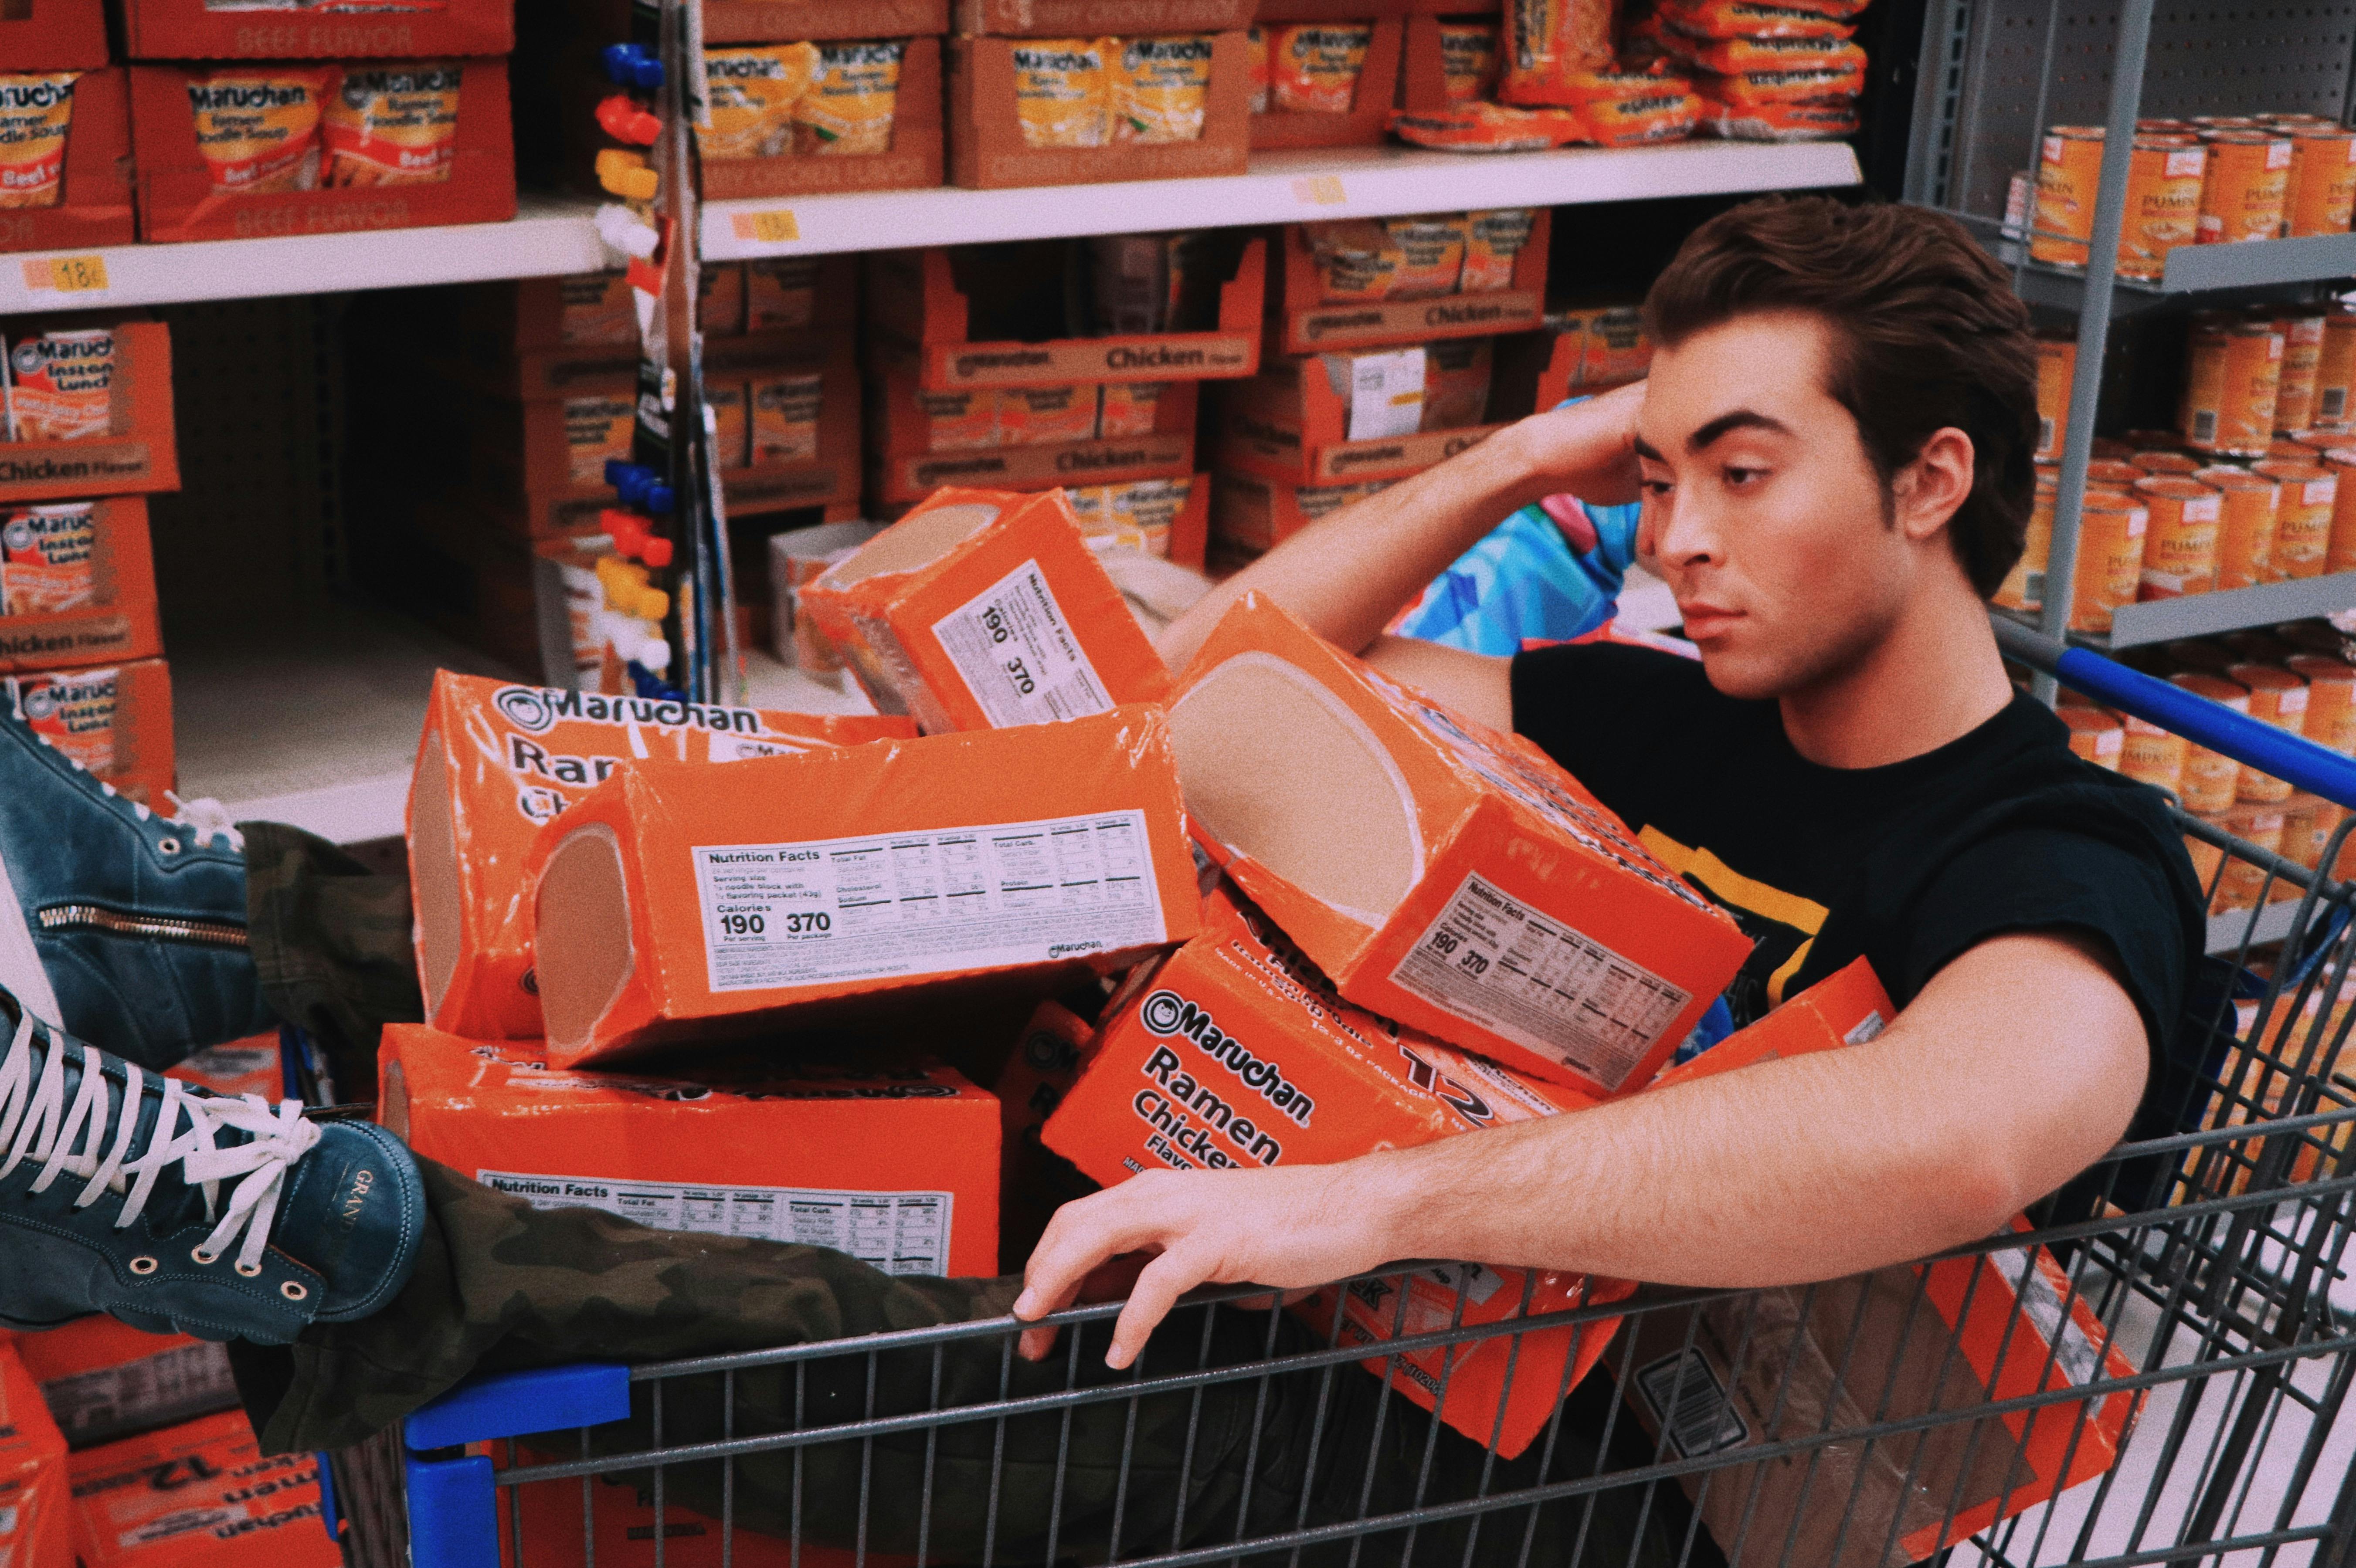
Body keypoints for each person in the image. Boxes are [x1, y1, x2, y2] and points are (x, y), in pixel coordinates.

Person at [0, 196, 2205, 1564]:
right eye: (1656, 477)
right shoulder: (1647, 712)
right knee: (1001, 855)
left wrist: (1368, 1202)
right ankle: (166, 923)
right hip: (1327, 1242)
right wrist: (1536, 446)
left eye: (1739, 473)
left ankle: (336, 1239)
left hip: (1568, 1478)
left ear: (1932, 480)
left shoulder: (2049, 854)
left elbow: (1966, 1122)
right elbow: (1205, 700)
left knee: (1050, 1336)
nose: (1675, 539)